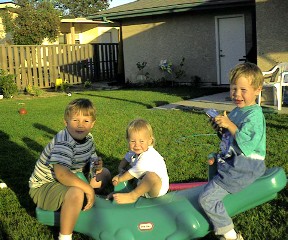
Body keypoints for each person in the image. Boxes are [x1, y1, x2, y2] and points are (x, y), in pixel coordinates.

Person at [198, 62, 266, 240]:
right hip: (234, 161)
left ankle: (230, 236)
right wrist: (221, 128)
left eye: (243, 90)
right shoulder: (237, 111)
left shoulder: (255, 115)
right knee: (212, 176)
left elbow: (246, 144)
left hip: (246, 166)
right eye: (234, 88)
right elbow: (230, 138)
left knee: (207, 199)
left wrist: (229, 124)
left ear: (257, 90)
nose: (237, 94)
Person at [29, 98, 110, 240]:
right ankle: (64, 236)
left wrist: (96, 165)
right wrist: (87, 188)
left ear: (92, 124)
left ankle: (85, 200)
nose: (80, 125)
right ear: (66, 122)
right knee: (77, 193)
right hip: (45, 186)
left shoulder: (89, 138)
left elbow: (91, 160)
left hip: (73, 177)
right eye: (75, 120)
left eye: (86, 121)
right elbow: (61, 174)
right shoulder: (64, 142)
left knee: (105, 174)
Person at [111, 118, 169, 204]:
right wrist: (120, 168)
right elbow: (125, 159)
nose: (137, 145)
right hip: (141, 182)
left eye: (141, 141)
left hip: (156, 189)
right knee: (129, 172)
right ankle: (122, 192)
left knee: (151, 176)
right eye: (133, 141)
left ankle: (132, 196)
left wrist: (120, 178)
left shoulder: (148, 156)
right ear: (128, 140)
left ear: (149, 141)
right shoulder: (133, 152)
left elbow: (132, 172)